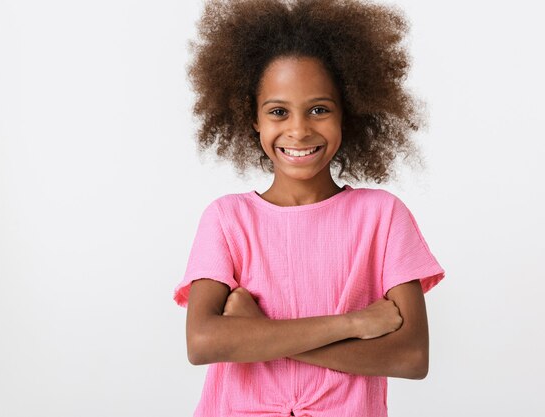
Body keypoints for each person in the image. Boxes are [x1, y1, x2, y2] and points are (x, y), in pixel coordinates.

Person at [172, 0, 446, 416]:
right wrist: (353, 325)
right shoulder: (227, 220)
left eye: (319, 109)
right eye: (278, 112)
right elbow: (204, 343)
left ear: (346, 112)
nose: (299, 130)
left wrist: (258, 335)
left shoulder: (382, 217)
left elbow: (410, 357)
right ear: (254, 118)